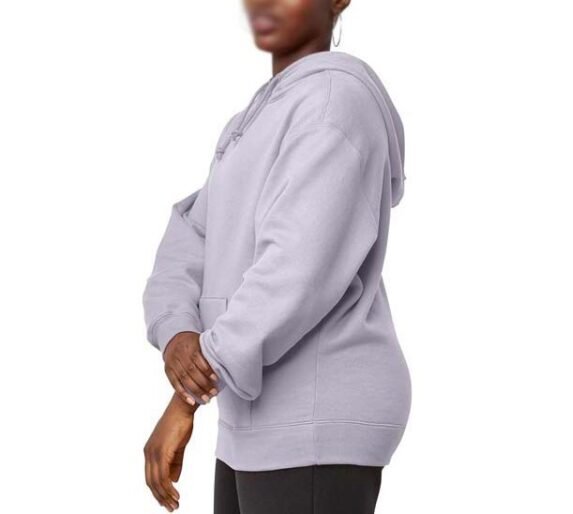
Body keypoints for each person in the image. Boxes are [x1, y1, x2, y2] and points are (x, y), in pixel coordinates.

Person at [142, 1, 411, 512]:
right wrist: (177, 332)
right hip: (253, 415)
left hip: (315, 416)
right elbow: (192, 233)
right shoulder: (255, 118)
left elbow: (292, 274)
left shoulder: (335, 103)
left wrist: (188, 395)